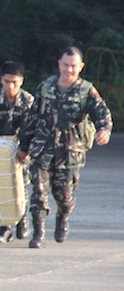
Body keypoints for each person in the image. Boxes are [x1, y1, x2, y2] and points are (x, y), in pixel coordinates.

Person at [17, 46, 112, 248]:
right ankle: (38, 233)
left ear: (80, 67)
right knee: (38, 192)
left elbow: (101, 113)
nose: (69, 70)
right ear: (59, 64)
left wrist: (104, 130)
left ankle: (62, 216)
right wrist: (24, 146)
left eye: (74, 66)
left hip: (69, 152)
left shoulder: (86, 90)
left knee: (64, 196)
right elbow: (32, 118)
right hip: (42, 149)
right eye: (66, 65)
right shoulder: (45, 87)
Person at [0, 61, 34, 243]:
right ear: (1, 80)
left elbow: (30, 128)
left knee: (21, 185)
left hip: (22, 149)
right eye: (6, 82)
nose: (10, 86)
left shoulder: (28, 101)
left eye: (15, 82)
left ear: (21, 81)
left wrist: (23, 150)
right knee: (0, 188)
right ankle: (5, 227)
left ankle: (22, 219)